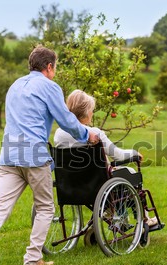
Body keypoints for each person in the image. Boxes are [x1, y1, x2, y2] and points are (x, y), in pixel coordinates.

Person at [0, 46, 99, 265]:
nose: (55, 72)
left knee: (0, 207)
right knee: (45, 207)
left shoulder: (15, 86)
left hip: (8, 155)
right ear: (49, 67)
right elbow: (67, 120)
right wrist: (86, 134)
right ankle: (32, 258)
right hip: (33, 155)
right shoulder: (49, 86)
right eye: (55, 68)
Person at [54, 89, 158, 226]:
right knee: (130, 173)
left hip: (71, 184)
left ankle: (117, 215)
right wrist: (134, 153)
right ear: (86, 112)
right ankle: (144, 218)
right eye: (91, 110)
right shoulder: (94, 133)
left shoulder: (59, 134)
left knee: (116, 175)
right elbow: (118, 154)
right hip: (97, 183)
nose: (92, 113)